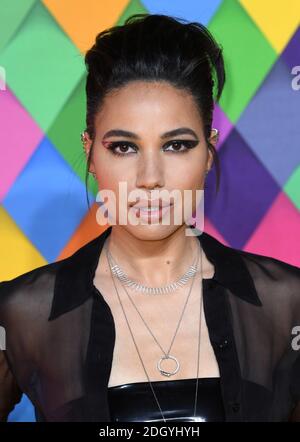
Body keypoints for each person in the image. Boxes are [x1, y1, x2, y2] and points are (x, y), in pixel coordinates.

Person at [0, 13, 299, 423]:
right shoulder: (20, 312)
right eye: (124, 147)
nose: (150, 179)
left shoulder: (288, 304)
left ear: (209, 151)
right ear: (90, 152)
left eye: (176, 145)